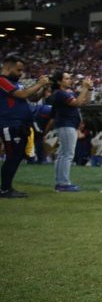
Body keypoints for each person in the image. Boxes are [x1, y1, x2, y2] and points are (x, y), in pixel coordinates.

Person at [0, 55, 49, 198]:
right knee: (12, 156)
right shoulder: (2, 81)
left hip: (20, 124)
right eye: (18, 70)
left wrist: (42, 90)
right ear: (8, 67)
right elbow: (22, 95)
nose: (21, 73)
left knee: (17, 155)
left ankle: (7, 187)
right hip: (10, 124)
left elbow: (32, 97)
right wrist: (39, 84)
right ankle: (5, 189)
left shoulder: (16, 83)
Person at [51, 71, 93, 192]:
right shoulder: (60, 93)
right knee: (67, 154)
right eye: (66, 78)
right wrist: (84, 87)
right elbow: (78, 103)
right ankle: (63, 183)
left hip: (67, 125)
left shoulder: (66, 93)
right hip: (66, 125)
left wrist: (89, 89)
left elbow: (85, 102)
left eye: (70, 78)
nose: (70, 80)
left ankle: (60, 182)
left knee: (63, 154)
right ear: (59, 81)